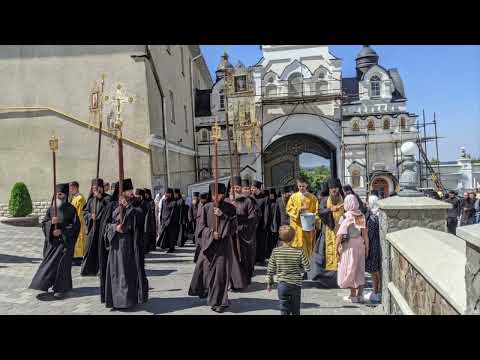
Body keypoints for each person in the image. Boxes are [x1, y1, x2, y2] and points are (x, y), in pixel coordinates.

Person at [188, 182, 237, 313]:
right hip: (209, 247)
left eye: (220, 194)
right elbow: (200, 229)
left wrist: (223, 216)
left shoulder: (230, 208)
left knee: (221, 275)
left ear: (223, 194)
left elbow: (233, 228)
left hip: (224, 247)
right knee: (209, 274)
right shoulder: (206, 207)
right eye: (214, 194)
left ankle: (219, 302)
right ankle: (214, 297)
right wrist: (211, 234)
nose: (217, 197)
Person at [29, 183, 80, 300]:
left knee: (63, 266)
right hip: (53, 243)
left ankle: (61, 289)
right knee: (49, 265)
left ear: (66, 195)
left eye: (61, 194)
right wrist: (51, 225)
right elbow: (44, 223)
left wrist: (62, 231)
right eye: (57, 194)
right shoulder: (51, 209)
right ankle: (43, 284)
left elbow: (76, 226)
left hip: (65, 244)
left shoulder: (71, 209)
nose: (58, 196)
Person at [104, 178, 148, 310]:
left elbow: (140, 216)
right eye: (127, 191)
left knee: (126, 273)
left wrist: (128, 206)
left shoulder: (137, 203)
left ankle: (126, 300)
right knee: (115, 272)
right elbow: (106, 226)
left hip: (129, 244)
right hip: (115, 243)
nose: (130, 193)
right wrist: (114, 228)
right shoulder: (114, 206)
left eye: (130, 191)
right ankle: (115, 300)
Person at [266, 225, 311, 315]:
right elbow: (308, 267)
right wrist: (301, 269)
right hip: (295, 285)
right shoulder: (299, 252)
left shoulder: (276, 251)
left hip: (282, 285)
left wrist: (269, 283)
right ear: (294, 238)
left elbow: (270, 269)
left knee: (284, 309)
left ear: (280, 237)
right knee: (295, 309)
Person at [336, 194, 368, 303]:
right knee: (359, 268)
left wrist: (336, 248)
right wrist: (367, 248)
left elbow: (340, 235)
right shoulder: (360, 215)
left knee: (350, 268)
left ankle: (353, 295)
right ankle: (360, 295)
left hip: (349, 245)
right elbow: (365, 234)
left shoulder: (346, 216)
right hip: (360, 243)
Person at [227, 176, 257, 290]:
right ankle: (233, 282)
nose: (236, 190)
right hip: (229, 235)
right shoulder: (226, 201)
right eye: (233, 187)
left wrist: (241, 227)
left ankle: (244, 281)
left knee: (244, 258)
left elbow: (253, 219)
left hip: (243, 236)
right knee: (232, 260)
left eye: (238, 187)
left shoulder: (248, 201)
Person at [81, 178, 110, 276]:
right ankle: (88, 269)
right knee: (88, 248)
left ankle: (101, 270)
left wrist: (100, 197)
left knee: (101, 250)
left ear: (102, 188)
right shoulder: (91, 200)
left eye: (98, 188)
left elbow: (109, 207)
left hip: (102, 229)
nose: (97, 190)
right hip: (92, 229)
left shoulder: (107, 198)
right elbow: (85, 212)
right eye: (94, 188)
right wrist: (90, 216)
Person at [286, 177, 319, 259]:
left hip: (308, 226)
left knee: (307, 244)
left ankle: (307, 264)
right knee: (295, 243)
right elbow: (289, 209)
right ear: (297, 186)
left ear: (306, 185)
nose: (301, 188)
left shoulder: (313, 198)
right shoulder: (293, 197)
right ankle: (297, 264)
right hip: (296, 225)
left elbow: (317, 211)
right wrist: (298, 210)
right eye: (300, 186)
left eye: (303, 186)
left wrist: (314, 218)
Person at [98, 182, 119, 304]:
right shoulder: (111, 205)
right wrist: (115, 228)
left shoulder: (132, 205)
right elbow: (105, 226)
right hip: (113, 246)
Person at [364, 195, 382, 303]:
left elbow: (369, 234)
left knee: (374, 271)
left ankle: (375, 292)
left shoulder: (372, 217)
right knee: (377, 271)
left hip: (373, 246)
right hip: (379, 245)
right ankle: (377, 291)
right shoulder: (380, 215)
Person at [324, 178, 344, 273]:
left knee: (341, 248)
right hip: (330, 228)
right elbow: (319, 212)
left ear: (339, 188)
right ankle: (331, 268)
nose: (334, 190)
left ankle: (341, 267)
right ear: (329, 189)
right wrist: (330, 210)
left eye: (336, 187)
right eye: (332, 188)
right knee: (330, 247)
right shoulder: (324, 199)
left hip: (342, 228)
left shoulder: (344, 198)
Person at [69, 181, 87, 266]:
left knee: (79, 240)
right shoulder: (74, 197)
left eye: (71, 188)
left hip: (78, 222)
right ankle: (74, 256)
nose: (70, 190)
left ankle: (78, 258)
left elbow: (79, 212)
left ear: (76, 188)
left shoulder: (80, 198)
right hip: (73, 221)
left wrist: (74, 222)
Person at [251, 180, 268, 265]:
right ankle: (254, 258)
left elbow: (266, 212)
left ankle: (261, 258)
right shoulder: (250, 198)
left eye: (253, 188)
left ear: (258, 189)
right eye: (251, 188)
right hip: (252, 224)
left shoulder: (264, 198)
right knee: (254, 242)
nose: (252, 189)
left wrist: (265, 223)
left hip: (261, 224)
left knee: (261, 241)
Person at [157, 188, 179, 253]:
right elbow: (162, 210)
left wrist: (168, 222)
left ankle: (171, 248)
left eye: (168, 193)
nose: (166, 195)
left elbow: (172, 214)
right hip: (164, 221)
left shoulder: (174, 202)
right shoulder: (163, 201)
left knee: (171, 236)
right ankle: (166, 246)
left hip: (171, 222)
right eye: (165, 193)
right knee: (164, 235)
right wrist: (161, 220)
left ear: (171, 194)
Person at [265, 189, 278, 259]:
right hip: (268, 225)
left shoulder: (276, 203)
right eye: (270, 194)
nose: (271, 196)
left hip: (274, 224)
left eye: (272, 194)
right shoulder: (267, 203)